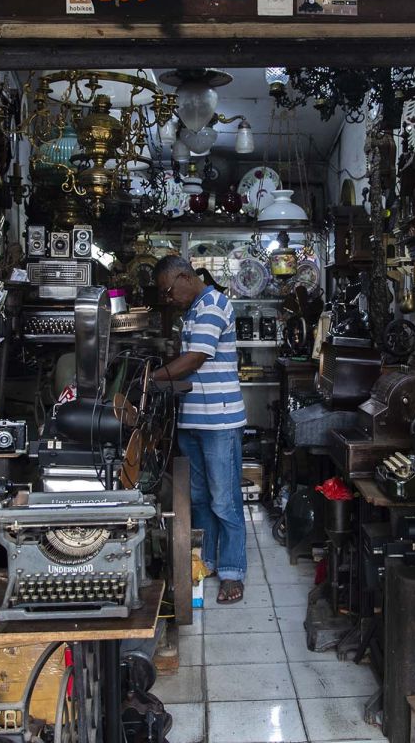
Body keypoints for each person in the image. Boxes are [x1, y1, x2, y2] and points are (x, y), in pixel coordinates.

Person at [150, 255, 247, 604]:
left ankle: (233, 571)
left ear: (182, 277)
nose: (168, 299)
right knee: (200, 499)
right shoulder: (192, 310)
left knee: (225, 501)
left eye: (168, 291)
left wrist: (152, 378)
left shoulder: (214, 304)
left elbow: (195, 359)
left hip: (219, 421)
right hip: (193, 420)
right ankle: (205, 561)